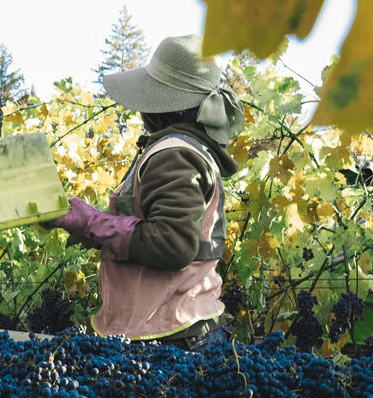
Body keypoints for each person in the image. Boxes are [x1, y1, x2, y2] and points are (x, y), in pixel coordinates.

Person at [43, 34, 244, 350]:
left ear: (162, 106)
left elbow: (172, 243)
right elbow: (144, 227)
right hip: (180, 332)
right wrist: (75, 221)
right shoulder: (186, 150)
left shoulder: (173, 155)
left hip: (171, 339)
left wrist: (89, 221)